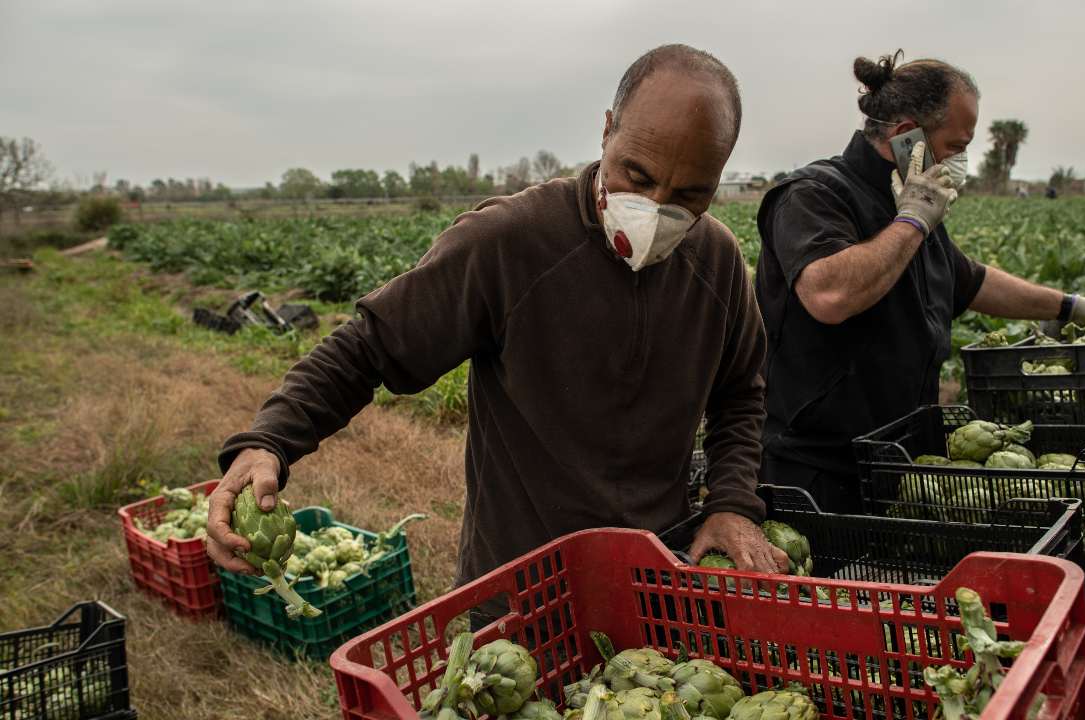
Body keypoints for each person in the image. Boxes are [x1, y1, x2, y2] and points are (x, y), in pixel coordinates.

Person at [205, 44, 788, 628]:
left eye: (689, 195)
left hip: (657, 572)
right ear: (607, 130)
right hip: (521, 585)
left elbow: (740, 393)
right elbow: (369, 348)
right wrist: (270, 442)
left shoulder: (717, 262)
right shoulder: (512, 240)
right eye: (637, 176)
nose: (655, 208)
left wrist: (732, 503)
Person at [754, 51, 1085, 510]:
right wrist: (912, 220)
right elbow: (829, 294)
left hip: (902, 457)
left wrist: (1071, 306)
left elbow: (971, 281)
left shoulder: (911, 199)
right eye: (955, 146)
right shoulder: (814, 195)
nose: (960, 161)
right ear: (906, 135)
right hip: (819, 472)